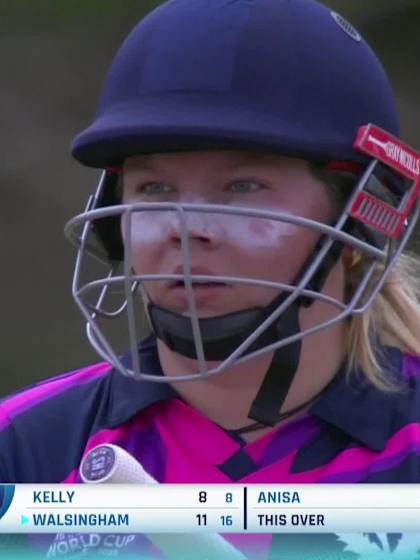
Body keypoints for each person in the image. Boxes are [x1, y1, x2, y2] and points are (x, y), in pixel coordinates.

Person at [1, 0, 420, 557]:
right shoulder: (25, 448)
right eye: (154, 190)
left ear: (358, 223)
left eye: (243, 187)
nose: (187, 229)